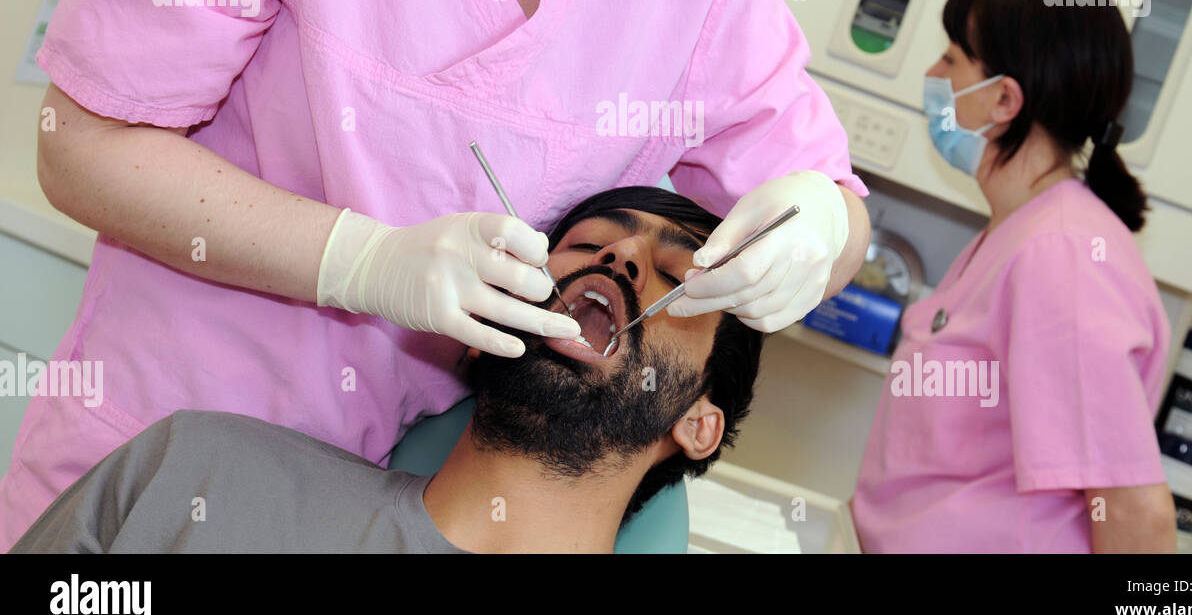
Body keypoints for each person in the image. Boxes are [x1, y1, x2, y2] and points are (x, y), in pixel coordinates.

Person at [1, 0, 871, 550]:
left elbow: (835, 215)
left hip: (400, 506)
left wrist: (822, 226)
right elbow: (80, 147)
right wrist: (360, 260)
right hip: (149, 464)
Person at [11, 186, 763, 554]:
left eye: (677, 275)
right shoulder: (193, 471)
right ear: (476, 332)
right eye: (589, 242)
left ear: (697, 424)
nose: (621, 258)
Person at [853, 0, 1176, 553]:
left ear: (1004, 99)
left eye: (951, 58)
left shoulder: (1063, 256)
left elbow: (1136, 516)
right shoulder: (1017, 236)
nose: (932, 74)